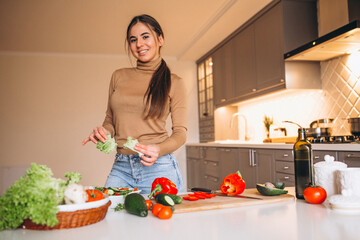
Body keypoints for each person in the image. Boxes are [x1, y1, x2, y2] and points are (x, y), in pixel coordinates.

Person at [82, 14, 187, 194]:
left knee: (163, 222)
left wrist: (158, 149)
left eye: (145, 36)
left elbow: (180, 133)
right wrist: (104, 132)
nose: (139, 44)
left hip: (159, 167)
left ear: (160, 39)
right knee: (110, 215)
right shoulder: (118, 76)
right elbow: (110, 119)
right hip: (122, 166)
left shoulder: (174, 82)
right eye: (133, 39)